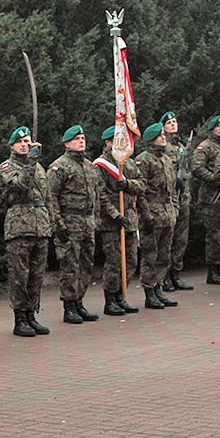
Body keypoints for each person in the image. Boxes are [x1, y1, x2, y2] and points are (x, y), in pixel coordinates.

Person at [48, 125, 124, 323]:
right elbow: (51, 198)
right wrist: (59, 226)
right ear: (67, 143)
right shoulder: (59, 166)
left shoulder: (89, 166)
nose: (81, 141)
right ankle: (69, 306)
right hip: (69, 223)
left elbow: (99, 195)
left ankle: (79, 301)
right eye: (77, 139)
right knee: (69, 266)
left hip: (88, 224)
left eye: (83, 138)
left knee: (86, 265)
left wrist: (98, 219)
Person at [0, 126, 56, 337]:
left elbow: (48, 197)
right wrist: (30, 162)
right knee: (20, 275)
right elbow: (20, 185)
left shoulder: (39, 168)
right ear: (12, 145)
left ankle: (31, 314)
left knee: (37, 275)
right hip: (19, 228)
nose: (24, 145)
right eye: (20, 142)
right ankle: (19, 318)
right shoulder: (6, 167)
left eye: (27, 141)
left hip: (40, 227)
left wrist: (53, 222)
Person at [93, 125, 139, 316]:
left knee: (130, 260)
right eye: (118, 140)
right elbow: (100, 196)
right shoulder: (101, 165)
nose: (122, 143)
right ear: (108, 142)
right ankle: (110, 299)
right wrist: (115, 215)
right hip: (111, 222)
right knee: (114, 261)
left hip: (129, 218)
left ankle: (121, 296)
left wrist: (128, 184)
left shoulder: (127, 162)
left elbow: (142, 183)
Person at [135, 122, 179, 309]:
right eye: (160, 135)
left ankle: (159, 287)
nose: (164, 137)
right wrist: (146, 215)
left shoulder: (167, 160)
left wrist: (175, 209)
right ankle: (149, 291)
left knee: (164, 255)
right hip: (152, 213)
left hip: (167, 213)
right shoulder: (143, 160)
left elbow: (173, 189)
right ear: (151, 139)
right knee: (150, 255)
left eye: (163, 134)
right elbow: (140, 191)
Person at [191, 115, 220, 285]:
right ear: (211, 129)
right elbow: (196, 168)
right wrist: (214, 179)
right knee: (214, 234)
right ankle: (212, 270)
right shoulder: (205, 147)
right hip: (212, 196)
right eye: (218, 126)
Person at [160, 111, 194, 292]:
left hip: (183, 197)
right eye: (169, 122)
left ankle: (176, 274)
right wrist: (175, 180)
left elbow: (188, 171)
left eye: (174, 121)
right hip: (170, 199)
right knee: (169, 238)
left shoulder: (181, 147)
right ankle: (164, 277)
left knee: (181, 238)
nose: (173, 124)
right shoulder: (163, 147)